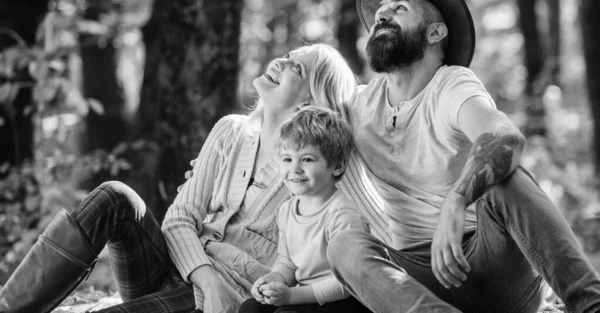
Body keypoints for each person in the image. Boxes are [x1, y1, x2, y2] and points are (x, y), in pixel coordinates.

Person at [0, 44, 391, 313]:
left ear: (309, 101)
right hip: (179, 270)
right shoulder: (231, 131)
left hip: (221, 300)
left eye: (297, 68)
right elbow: (180, 217)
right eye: (287, 55)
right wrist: (205, 277)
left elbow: (358, 230)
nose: (280, 61)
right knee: (114, 195)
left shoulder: (313, 174)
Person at [325, 0, 600, 313]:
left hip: (492, 260)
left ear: (435, 32)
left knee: (503, 178)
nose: (383, 16)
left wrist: (456, 201)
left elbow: (502, 134)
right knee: (343, 247)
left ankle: (590, 303)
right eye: (380, 14)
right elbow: (301, 134)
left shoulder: (450, 84)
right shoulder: (359, 106)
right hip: (419, 283)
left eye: (399, 8)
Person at [238, 107, 371, 313]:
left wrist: (291, 296)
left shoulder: (343, 215)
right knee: (250, 309)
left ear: (337, 166)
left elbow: (347, 283)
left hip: (344, 300)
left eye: (307, 159)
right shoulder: (286, 211)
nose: (295, 168)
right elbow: (287, 263)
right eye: (287, 159)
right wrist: (272, 280)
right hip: (305, 296)